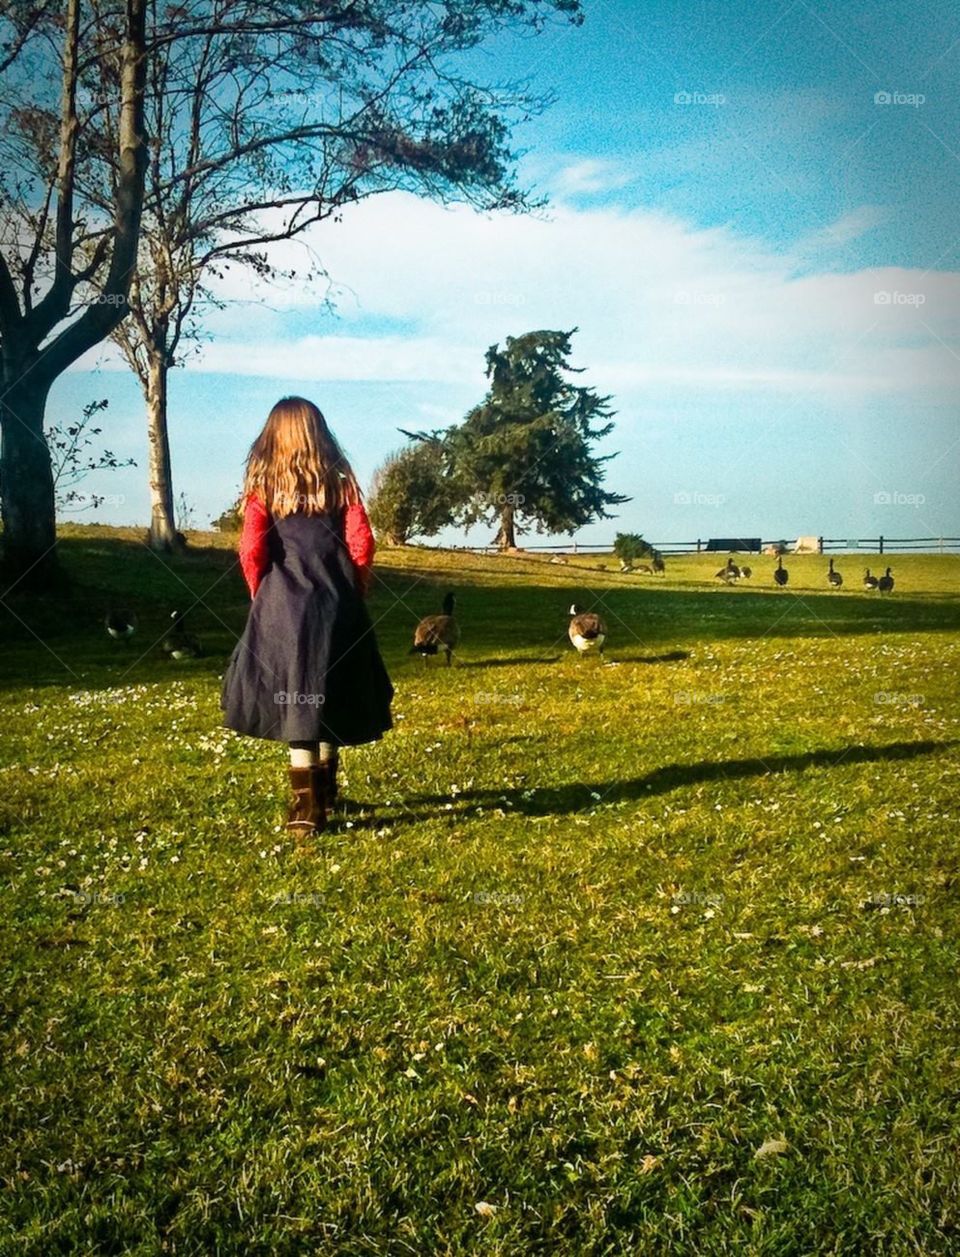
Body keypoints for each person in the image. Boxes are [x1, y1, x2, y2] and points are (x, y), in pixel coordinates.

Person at [221, 396, 393, 836]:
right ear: (321, 434)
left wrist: (261, 594)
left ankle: (305, 810)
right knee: (329, 684)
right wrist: (357, 588)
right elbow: (362, 544)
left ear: (271, 437)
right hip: (337, 601)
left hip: (282, 605)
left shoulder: (263, 487)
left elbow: (251, 549)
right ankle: (327, 791)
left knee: (298, 695)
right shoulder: (342, 484)